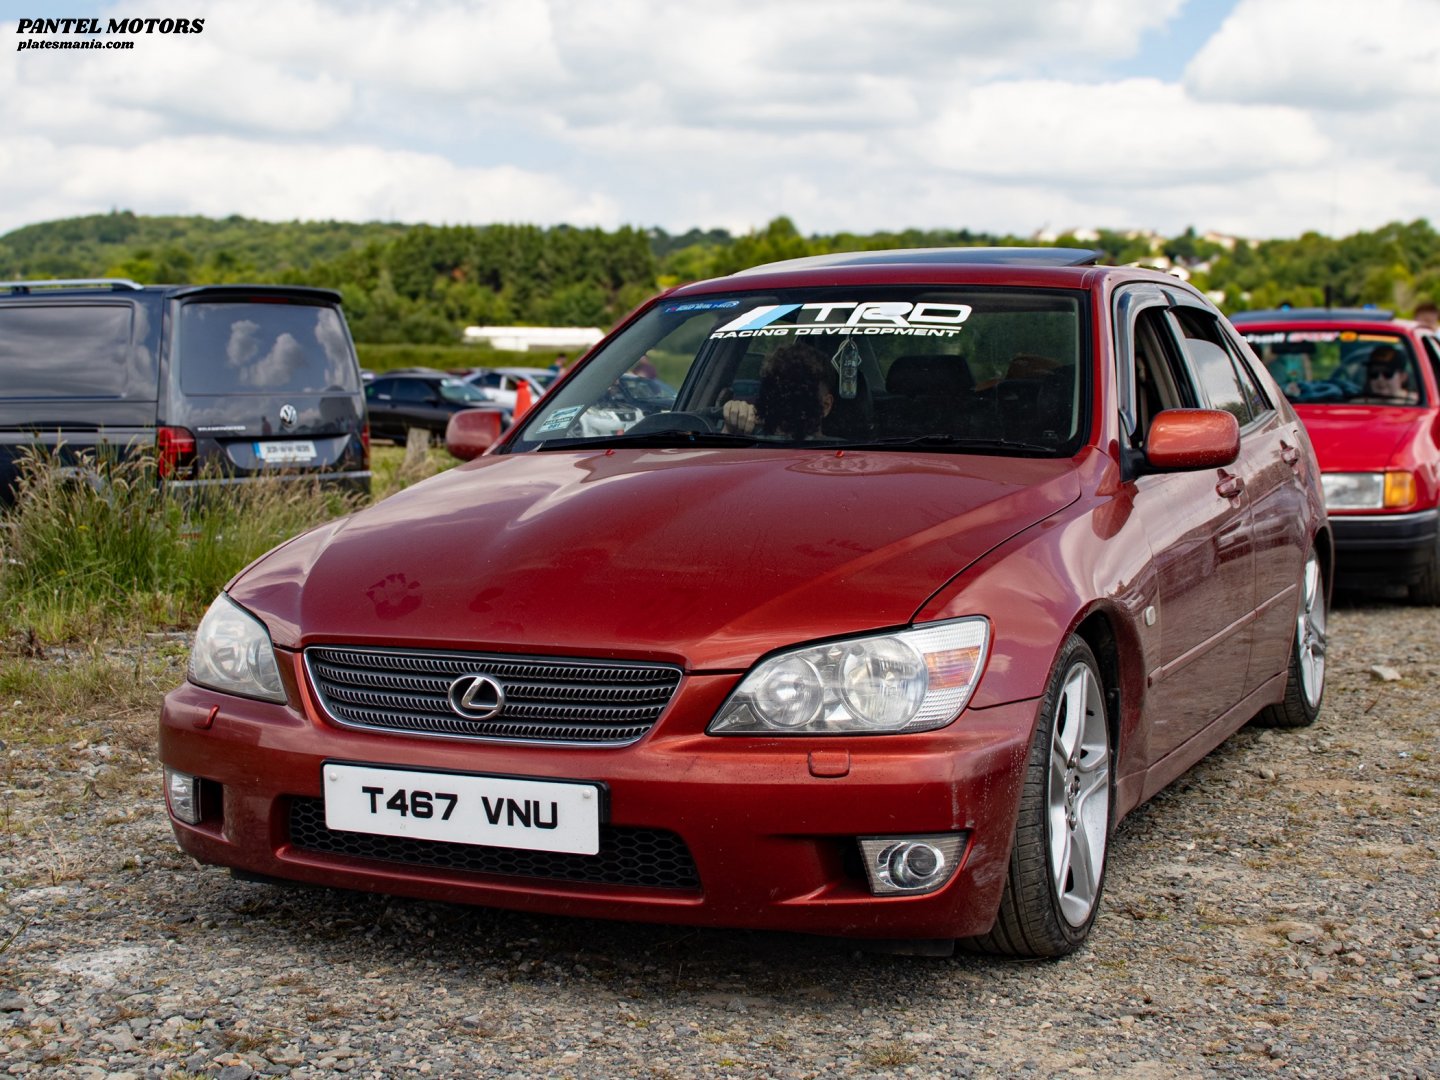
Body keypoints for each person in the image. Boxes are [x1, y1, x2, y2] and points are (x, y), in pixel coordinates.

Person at [721, 342, 834, 438]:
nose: (787, 406)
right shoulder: (750, 442)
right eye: (778, 394)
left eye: (799, 398)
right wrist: (731, 429)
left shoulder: (841, 457)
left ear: (825, 405)